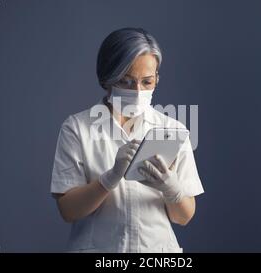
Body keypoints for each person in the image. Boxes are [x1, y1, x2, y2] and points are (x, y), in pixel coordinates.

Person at [50, 27, 204, 253]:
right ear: (107, 78)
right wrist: (109, 179)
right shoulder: (77, 128)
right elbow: (68, 211)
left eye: (147, 82)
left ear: (157, 78)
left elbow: (183, 217)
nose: (138, 90)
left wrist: (170, 187)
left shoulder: (172, 130)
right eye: (126, 81)